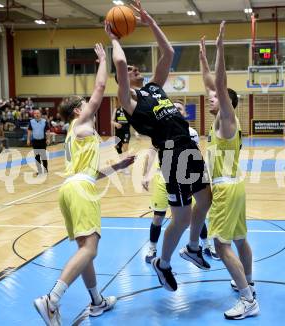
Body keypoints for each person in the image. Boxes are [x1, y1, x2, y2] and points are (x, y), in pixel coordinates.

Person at [106, 0, 212, 292]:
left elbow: (169, 52)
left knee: (205, 201)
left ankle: (193, 248)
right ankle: (163, 263)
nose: (132, 69)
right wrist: (114, 38)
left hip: (188, 148)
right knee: (180, 217)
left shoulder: (153, 88)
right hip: (172, 154)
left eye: (134, 67)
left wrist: (149, 20)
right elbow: (118, 64)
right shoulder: (127, 100)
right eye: (128, 70)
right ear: (123, 80)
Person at [34, 44, 134, 325]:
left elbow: (90, 172)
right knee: (90, 249)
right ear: (79, 109)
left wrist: (118, 166)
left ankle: (97, 301)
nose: (91, 104)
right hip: (79, 190)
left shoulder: (74, 133)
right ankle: (51, 299)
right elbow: (101, 86)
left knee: (85, 249)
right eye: (86, 104)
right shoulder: (81, 122)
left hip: (71, 187)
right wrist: (103, 60)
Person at [200, 22, 259, 319]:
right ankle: (248, 283)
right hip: (233, 185)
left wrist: (221, 48)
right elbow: (212, 83)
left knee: (221, 246)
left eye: (215, 97)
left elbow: (219, 86)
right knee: (239, 240)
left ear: (227, 103)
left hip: (225, 188)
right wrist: (202, 59)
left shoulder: (227, 119)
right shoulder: (219, 122)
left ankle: (248, 300)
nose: (210, 96)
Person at [142, 101, 219, 263]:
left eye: (179, 109)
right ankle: (152, 247)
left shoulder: (191, 132)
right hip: (165, 178)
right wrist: (145, 174)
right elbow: (151, 152)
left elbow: (196, 154)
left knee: (197, 213)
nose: (176, 111)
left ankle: (205, 244)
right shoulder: (161, 130)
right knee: (158, 217)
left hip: (187, 179)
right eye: (173, 108)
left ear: (184, 113)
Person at [27, 109, 51, 175]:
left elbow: (48, 131)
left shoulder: (44, 121)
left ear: (40, 114)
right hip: (35, 141)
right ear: (34, 115)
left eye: (38, 113)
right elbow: (29, 131)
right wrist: (28, 139)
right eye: (35, 113)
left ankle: (45, 170)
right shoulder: (31, 122)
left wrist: (48, 139)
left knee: (43, 156)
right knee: (37, 157)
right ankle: (39, 171)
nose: (37, 114)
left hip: (42, 141)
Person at [111, 98, 131, 174]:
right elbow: (112, 121)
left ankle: (126, 167)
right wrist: (115, 124)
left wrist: (136, 132)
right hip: (118, 133)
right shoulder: (116, 109)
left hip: (126, 132)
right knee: (118, 150)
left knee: (125, 150)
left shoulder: (128, 109)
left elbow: (133, 121)